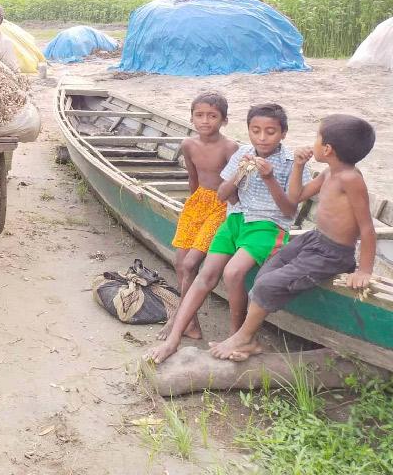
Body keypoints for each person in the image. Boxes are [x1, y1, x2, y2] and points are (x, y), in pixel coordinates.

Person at [146, 104, 309, 364]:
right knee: (204, 275)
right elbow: (223, 195)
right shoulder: (243, 152)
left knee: (232, 273)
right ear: (248, 130)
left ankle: (237, 335)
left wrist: (269, 178)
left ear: (283, 134)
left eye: (270, 132)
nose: (262, 138)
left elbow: (290, 211)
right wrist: (239, 175)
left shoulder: (291, 163)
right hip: (235, 220)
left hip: (268, 225)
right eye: (255, 131)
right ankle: (173, 339)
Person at [210, 115, 377, 361]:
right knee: (268, 270)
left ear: (328, 149)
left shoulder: (351, 179)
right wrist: (298, 166)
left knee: (268, 284)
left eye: (317, 138)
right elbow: (295, 198)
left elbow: (367, 228)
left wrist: (364, 270)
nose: (314, 143)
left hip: (333, 254)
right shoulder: (329, 172)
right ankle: (249, 339)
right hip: (314, 240)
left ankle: (244, 337)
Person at [158, 93, 239, 341]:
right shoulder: (188, 145)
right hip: (197, 204)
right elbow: (193, 178)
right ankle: (191, 322)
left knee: (192, 263)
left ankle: (178, 319)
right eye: (200, 115)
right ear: (192, 118)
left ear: (224, 120)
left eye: (212, 116)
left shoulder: (230, 147)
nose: (205, 121)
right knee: (179, 262)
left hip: (221, 206)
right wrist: (192, 208)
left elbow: (233, 185)